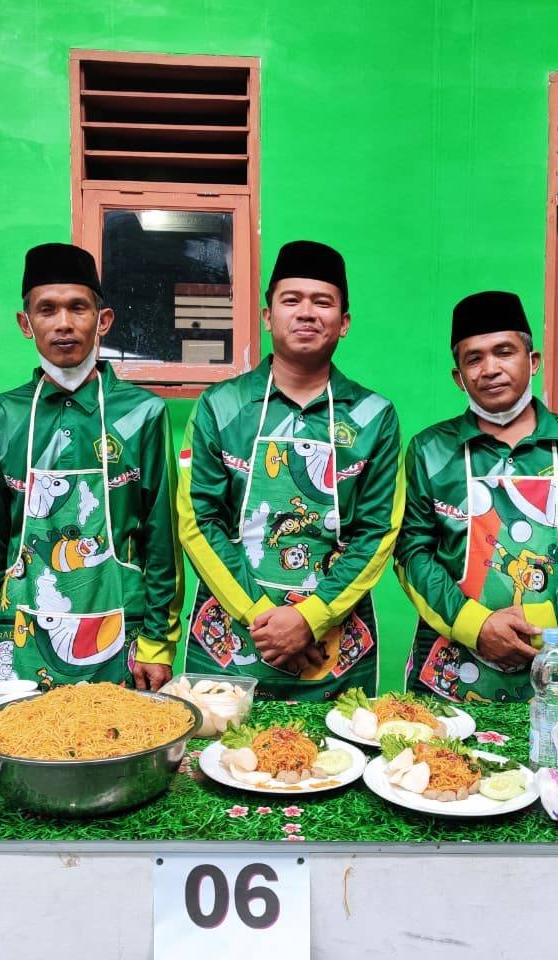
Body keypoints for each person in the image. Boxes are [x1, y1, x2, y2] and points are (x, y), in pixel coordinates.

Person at [177, 240, 402, 699]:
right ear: (267, 316)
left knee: (339, 764)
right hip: (230, 641)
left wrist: (310, 618)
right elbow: (198, 522)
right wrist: (261, 617)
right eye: (291, 300)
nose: (306, 313)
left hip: (333, 648)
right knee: (218, 763)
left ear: (344, 323)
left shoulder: (374, 416)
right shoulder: (220, 406)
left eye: (323, 302)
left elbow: (378, 532)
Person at [0, 243, 182, 693]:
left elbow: (163, 540)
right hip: (19, 630)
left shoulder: (143, 415)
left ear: (103, 321)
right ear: (27, 324)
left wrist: (159, 643)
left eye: (78, 307)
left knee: (123, 750)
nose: (63, 323)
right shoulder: (0, 419)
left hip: (124, 633)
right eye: (47, 309)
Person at [395, 290, 558, 702]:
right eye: (474, 358)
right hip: (450, 668)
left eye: (504, 352)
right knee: (444, 765)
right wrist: (476, 625)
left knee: (555, 764)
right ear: (458, 377)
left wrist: (547, 622)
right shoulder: (429, 450)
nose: (490, 369)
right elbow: (410, 551)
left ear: (533, 361)